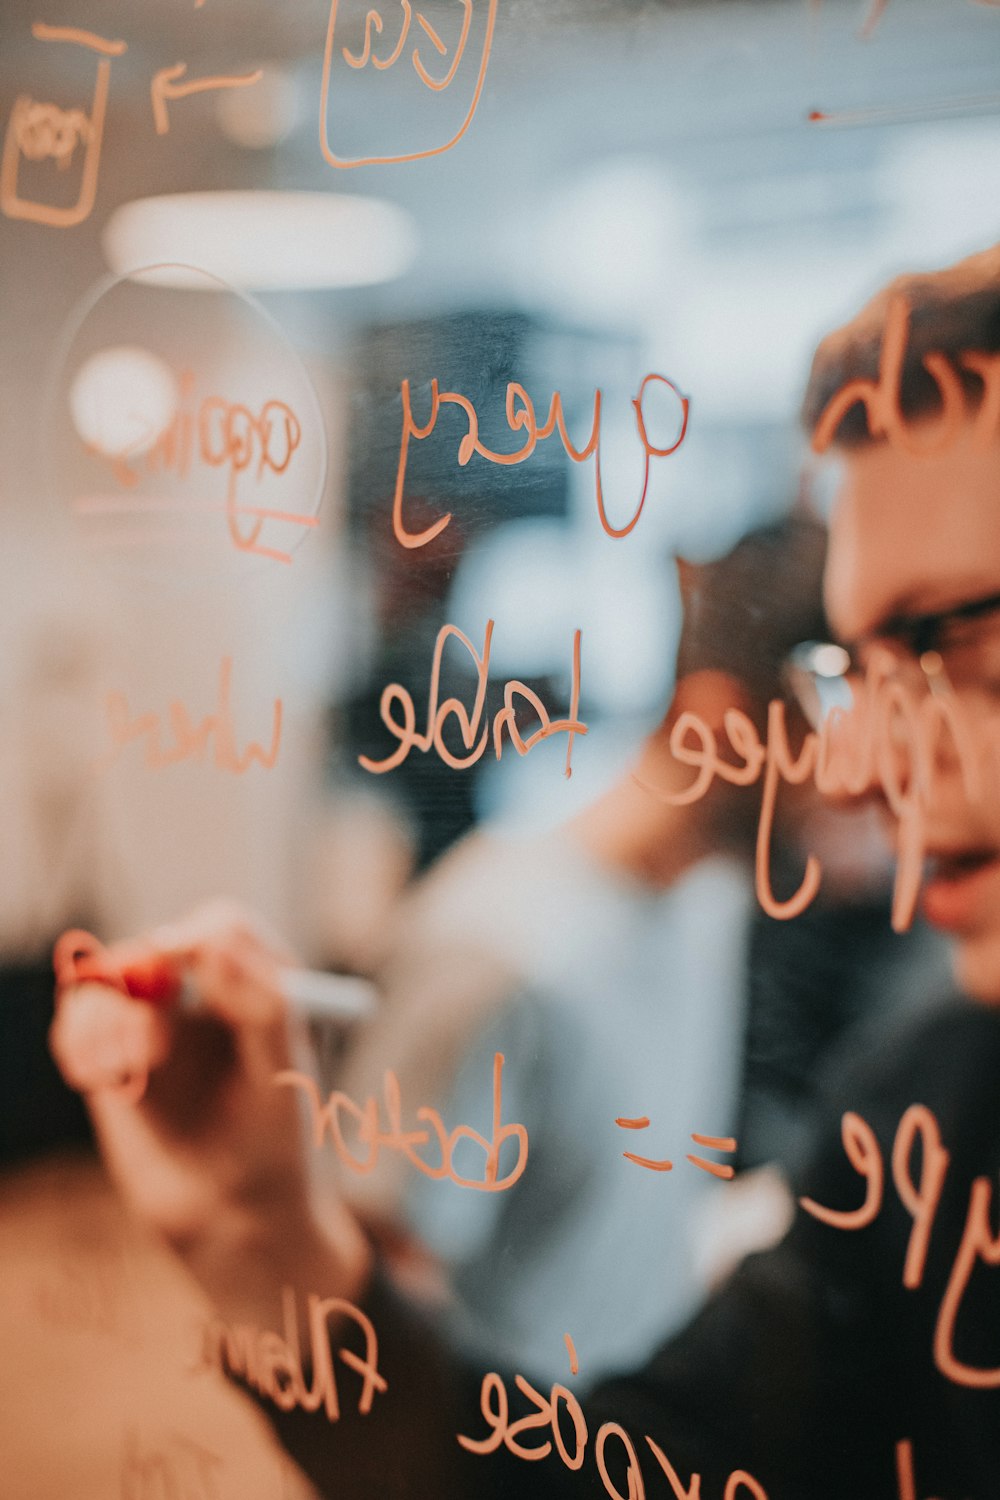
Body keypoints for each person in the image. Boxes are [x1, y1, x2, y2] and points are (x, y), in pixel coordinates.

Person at [49, 242, 1000, 1499]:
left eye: (945, 642)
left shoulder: (755, 947)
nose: (865, 761)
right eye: (851, 677)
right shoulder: (935, 1109)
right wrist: (268, 1254)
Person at [336, 519, 824, 1385]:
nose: (873, 778)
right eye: (836, 723)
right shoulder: (492, 956)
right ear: (722, 726)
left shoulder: (707, 900)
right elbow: (374, 1318)